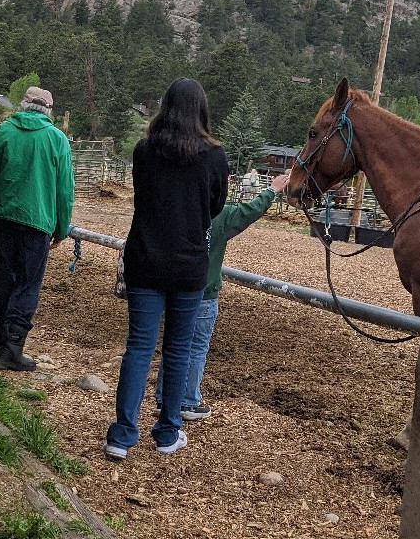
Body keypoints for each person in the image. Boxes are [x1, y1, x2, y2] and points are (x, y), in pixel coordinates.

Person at [104, 77, 229, 461]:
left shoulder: (144, 152)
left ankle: (122, 436)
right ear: (201, 111)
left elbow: (142, 196)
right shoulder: (215, 157)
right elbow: (217, 206)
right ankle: (167, 432)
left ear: (165, 107)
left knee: (138, 348)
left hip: (145, 259)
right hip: (189, 266)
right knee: (177, 351)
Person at [154, 172, 289, 421]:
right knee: (196, 348)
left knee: (172, 345)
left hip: (175, 290)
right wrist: (272, 190)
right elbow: (250, 211)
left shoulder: (178, 211)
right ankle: (187, 401)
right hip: (204, 293)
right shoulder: (222, 215)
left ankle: (164, 398)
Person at [0, 87, 74, 372]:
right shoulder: (57, 139)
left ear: (24, 105)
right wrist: (62, 227)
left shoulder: (4, 131)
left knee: (5, 278)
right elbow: (64, 189)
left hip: (6, 218)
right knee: (28, 283)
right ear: (49, 110)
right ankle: (13, 348)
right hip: (39, 222)